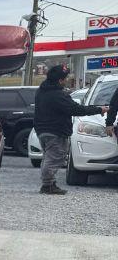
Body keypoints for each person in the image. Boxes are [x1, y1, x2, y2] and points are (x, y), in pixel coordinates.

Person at [33, 64, 108, 195]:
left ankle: (50, 183)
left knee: (49, 157)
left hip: (42, 130)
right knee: (54, 158)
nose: (66, 80)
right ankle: (47, 185)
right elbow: (77, 109)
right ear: (59, 80)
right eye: (65, 78)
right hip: (55, 131)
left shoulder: (42, 91)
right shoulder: (57, 95)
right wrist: (99, 109)